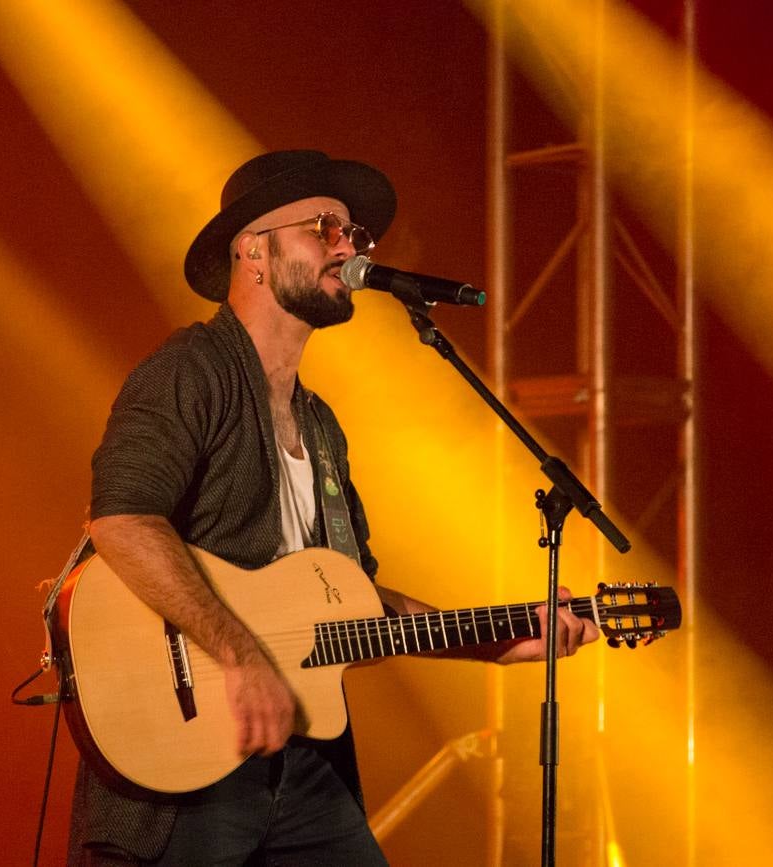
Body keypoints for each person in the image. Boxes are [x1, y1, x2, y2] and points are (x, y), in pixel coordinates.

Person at [67, 150, 599, 866]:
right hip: (185, 777)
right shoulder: (189, 372)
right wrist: (242, 653)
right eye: (325, 228)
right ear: (254, 252)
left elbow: (355, 603)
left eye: (354, 236)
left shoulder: (321, 428)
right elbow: (123, 521)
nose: (349, 247)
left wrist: (502, 638)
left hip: (305, 769)